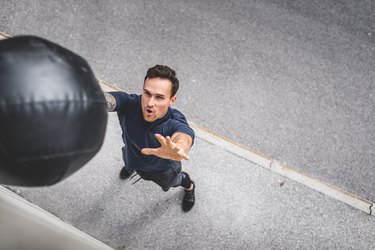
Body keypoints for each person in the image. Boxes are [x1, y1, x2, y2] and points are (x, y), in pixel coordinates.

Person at [104, 65, 195, 212]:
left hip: (162, 171)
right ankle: (130, 168)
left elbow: (184, 135)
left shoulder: (173, 121)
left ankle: (190, 188)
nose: (150, 103)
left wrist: (180, 147)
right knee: (128, 164)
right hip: (131, 155)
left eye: (159, 97)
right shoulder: (130, 104)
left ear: (172, 100)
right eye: (147, 93)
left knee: (178, 181)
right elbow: (110, 99)